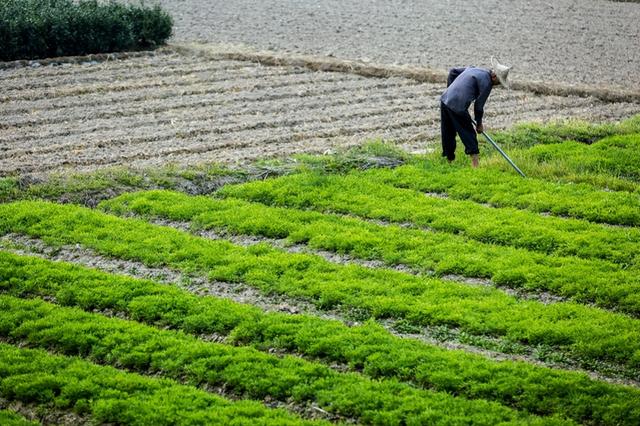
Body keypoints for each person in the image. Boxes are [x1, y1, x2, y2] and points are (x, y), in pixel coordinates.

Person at [440, 57, 511, 167]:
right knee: (469, 133)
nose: (498, 84)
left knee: (448, 131)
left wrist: (450, 90)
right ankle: (475, 166)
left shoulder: (474, 69)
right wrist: (479, 124)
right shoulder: (487, 83)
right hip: (458, 106)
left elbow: (452, 72)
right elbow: (479, 106)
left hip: (445, 100)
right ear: (494, 76)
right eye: (499, 81)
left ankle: (449, 162)